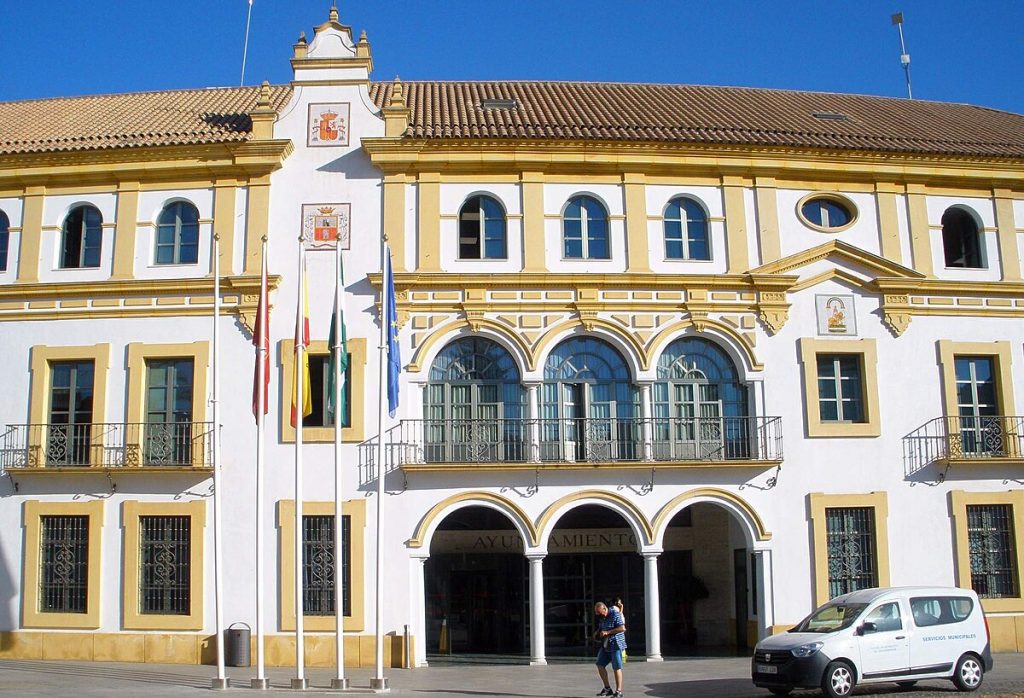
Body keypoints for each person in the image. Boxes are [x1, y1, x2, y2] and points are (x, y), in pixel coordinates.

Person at [593, 601, 626, 698]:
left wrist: (608, 632)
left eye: (599, 612)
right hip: (605, 644)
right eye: (597, 613)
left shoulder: (615, 614)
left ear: (604, 609)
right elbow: (601, 627)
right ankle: (607, 688)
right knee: (600, 664)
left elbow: (622, 628)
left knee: (616, 667)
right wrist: (597, 632)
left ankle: (619, 691)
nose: (598, 615)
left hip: (615, 644)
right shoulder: (602, 618)